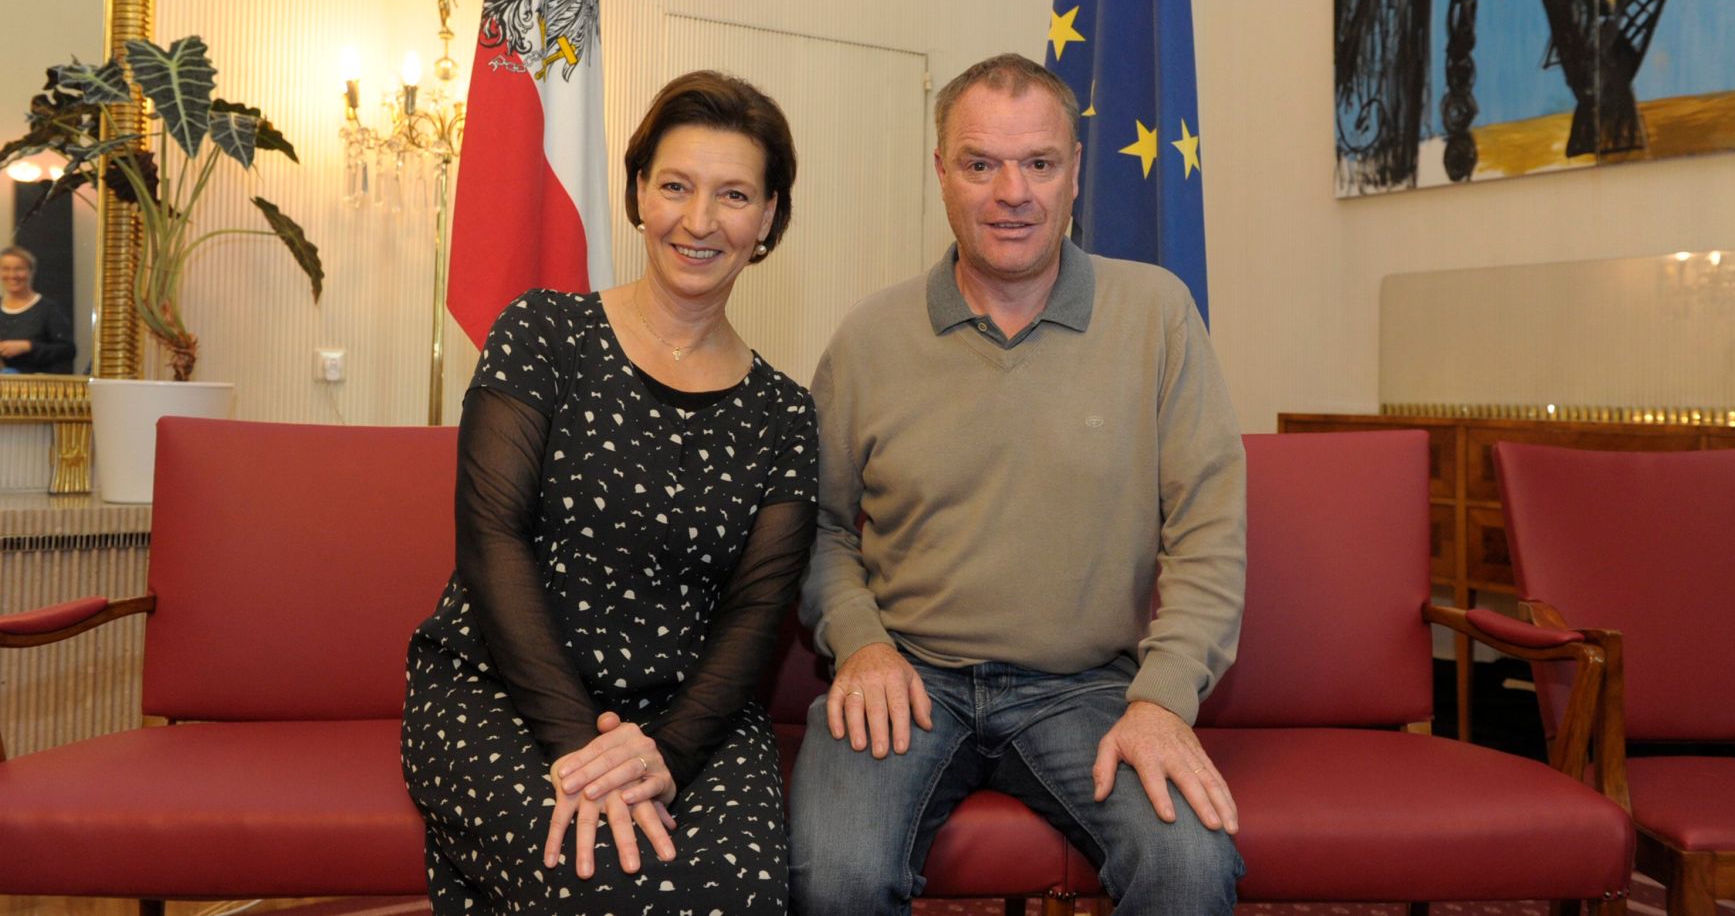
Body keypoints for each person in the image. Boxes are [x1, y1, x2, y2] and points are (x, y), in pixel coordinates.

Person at [790, 54, 1248, 915]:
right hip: (907, 678)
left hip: (1088, 688)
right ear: (940, 175)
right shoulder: (867, 339)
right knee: (833, 876)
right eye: (980, 163)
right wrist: (861, 642)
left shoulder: (1157, 314)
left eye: (1039, 162)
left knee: (1190, 867)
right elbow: (821, 529)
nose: (1013, 192)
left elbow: (1207, 529)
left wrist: (1163, 697)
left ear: (1075, 171)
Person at [403, 70, 818, 915]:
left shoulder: (786, 414)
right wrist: (580, 752)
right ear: (637, 192)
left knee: (738, 893)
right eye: (675, 186)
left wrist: (663, 753)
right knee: (602, 877)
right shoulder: (542, 334)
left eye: (734, 195)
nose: (700, 221)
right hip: (504, 693)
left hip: (692, 716)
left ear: (768, 218)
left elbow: (755, 613)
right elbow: (492, 543)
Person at [0, 245, 76, 374]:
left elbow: (68, 350)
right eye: (5, 269)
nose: (12, 275)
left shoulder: (49, 309)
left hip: (39, 389)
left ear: (31, 272)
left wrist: (28, 347)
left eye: (19, 269)